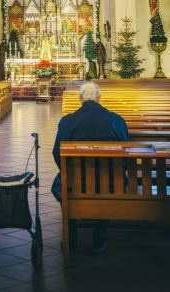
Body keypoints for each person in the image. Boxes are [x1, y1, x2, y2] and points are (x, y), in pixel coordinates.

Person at [52, 81, 128, 254]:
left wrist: (69, 172)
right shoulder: (116, 120)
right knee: (109, 183)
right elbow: (126, 151)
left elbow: (57, 153)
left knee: (61, 184)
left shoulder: (67, 121)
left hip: (75, 183)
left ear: (80, 99)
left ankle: (71, 237)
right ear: (99, 98)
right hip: (111, 184)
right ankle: (99, 239)